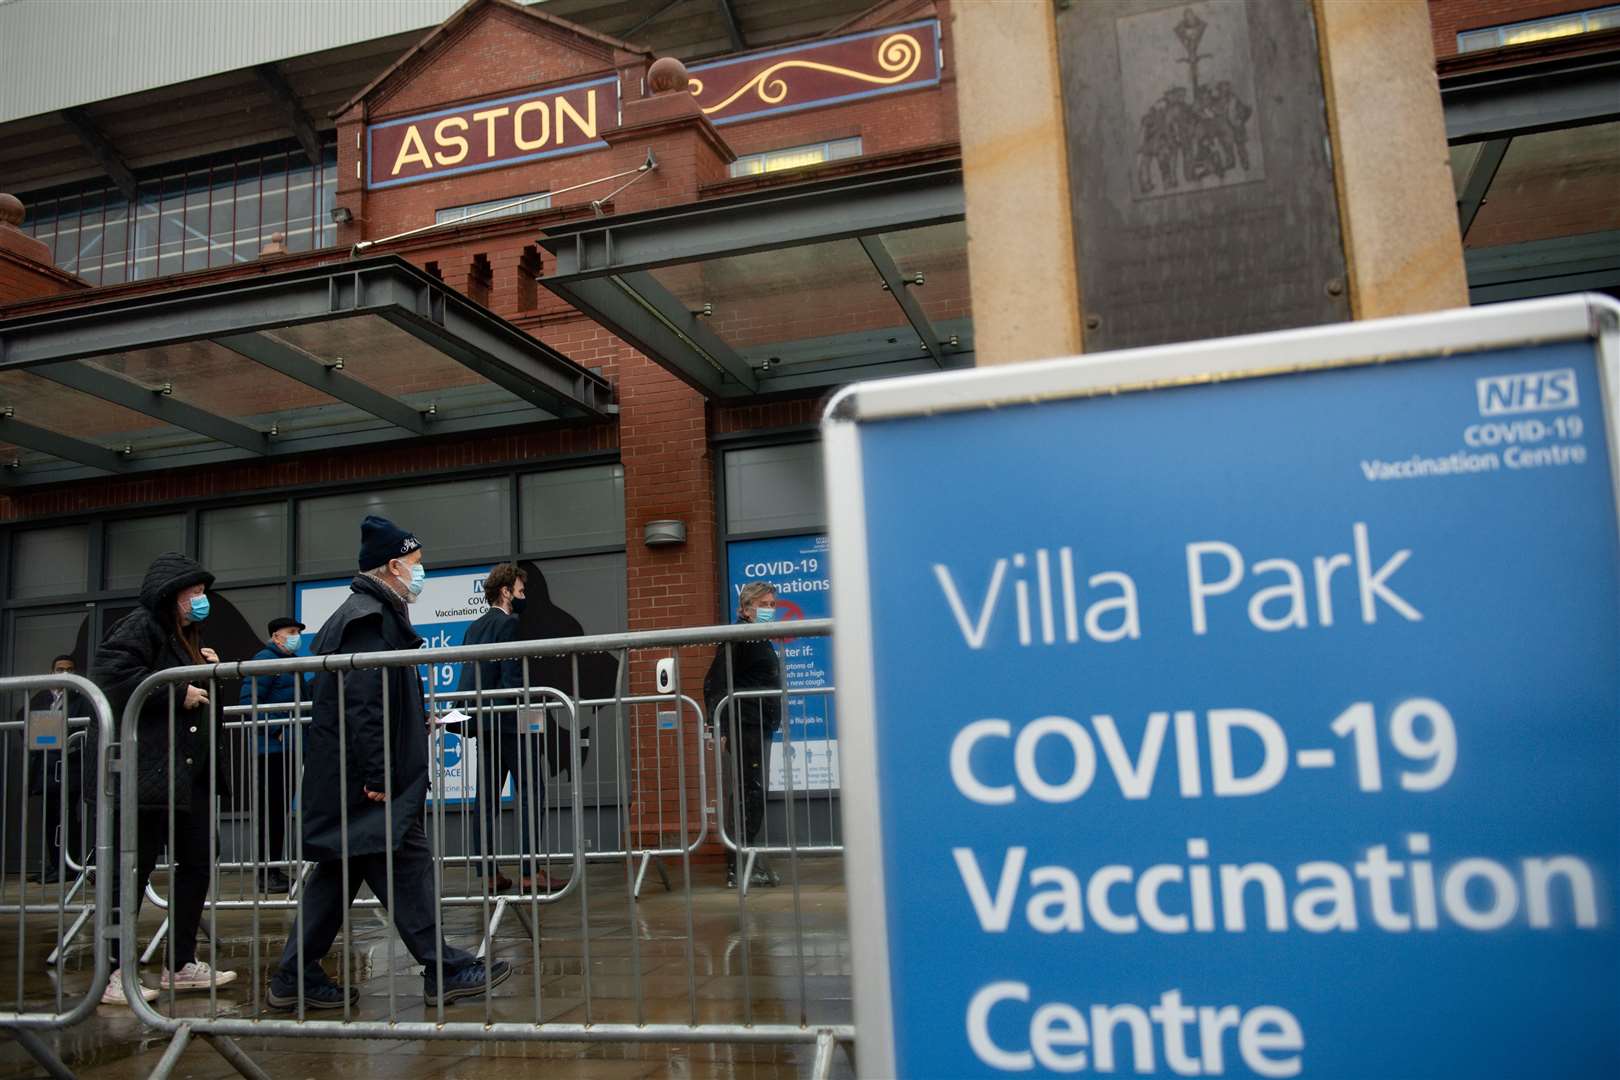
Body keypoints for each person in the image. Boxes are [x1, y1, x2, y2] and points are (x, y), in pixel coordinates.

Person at [269, 516, 509, 1009]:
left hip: (354, 778)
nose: (421, 574)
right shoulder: (367, 618)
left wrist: (409, 723)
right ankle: (441, 968)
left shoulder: (371, 613)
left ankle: (294, 977)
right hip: (365, 781)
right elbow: (363, 701)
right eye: (416, 564)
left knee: (338, 874)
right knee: (405, 859)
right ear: (394, 565)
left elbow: (374, 700)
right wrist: (380, 772)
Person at [94, 552, 238, 1005]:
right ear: (170, 594)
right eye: (193, 593)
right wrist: (178, 689)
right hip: (152, 772)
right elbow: (114, 676)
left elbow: (200, 699)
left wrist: (206, 668)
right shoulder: (142, 625)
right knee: (132, 869)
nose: (200, 601)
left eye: (202, 593)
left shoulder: (189, 635)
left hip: (188, 773)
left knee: (197, 860)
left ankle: (179, 962)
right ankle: (114, 970)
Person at [461, 562, 546, 892]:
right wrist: (533, 722)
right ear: (505, 591)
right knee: (530, 793)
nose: (524, 597)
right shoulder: (509, 624)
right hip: (511, 723)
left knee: (486, 799)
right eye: (521, 591)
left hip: (484, 724)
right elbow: (513, 681)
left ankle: (489, 873)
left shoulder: (474, 627)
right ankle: (529, 872)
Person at [703, 581, 783, 889]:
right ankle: (738, 865)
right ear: (746, 609)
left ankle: (746, 859)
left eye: (773, 605)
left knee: (752, 793)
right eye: (764, 605)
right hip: (744, 723)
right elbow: (715, 681)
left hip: (759, 723)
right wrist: (717, 724)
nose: (770, 611)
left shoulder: (757, 638)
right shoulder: (739, 638)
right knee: (749, 794)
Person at [239, 617, 312, 894]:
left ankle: (273, 870)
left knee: (278, 812)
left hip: (289, 748)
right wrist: (279, 727)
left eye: (297, 633)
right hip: (271, 750)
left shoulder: (290, 665)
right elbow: (250, 704)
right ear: (275, 636)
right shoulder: (266, 661)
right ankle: (267, 873)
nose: (296, 637)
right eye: (291, 632)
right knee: (271, 813)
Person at [23, 655, 85, 884]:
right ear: (51, 672)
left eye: (69, 669)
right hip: (45, 769)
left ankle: (68, 865)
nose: (64, 673)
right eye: (59, 669)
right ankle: (54, 865)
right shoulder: (41, 698)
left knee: (67, 817)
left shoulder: (81, 697)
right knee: (51, 818)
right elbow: (27, 725)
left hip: (70, 768)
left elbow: (82, 728)